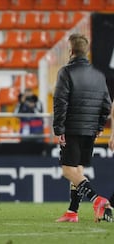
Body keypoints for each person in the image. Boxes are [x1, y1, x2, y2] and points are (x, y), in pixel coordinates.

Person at [53, 33, 112, 223]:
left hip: (72, 128)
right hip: (90, 130)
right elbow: (106, 104)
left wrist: (59, 129)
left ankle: (97, 200)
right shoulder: (98, 75)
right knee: (77, 169)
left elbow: (60, 102)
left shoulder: (66, 72)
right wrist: (100, 126)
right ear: (86, 51)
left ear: (70, 51)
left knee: (68, 170)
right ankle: (72, 211)